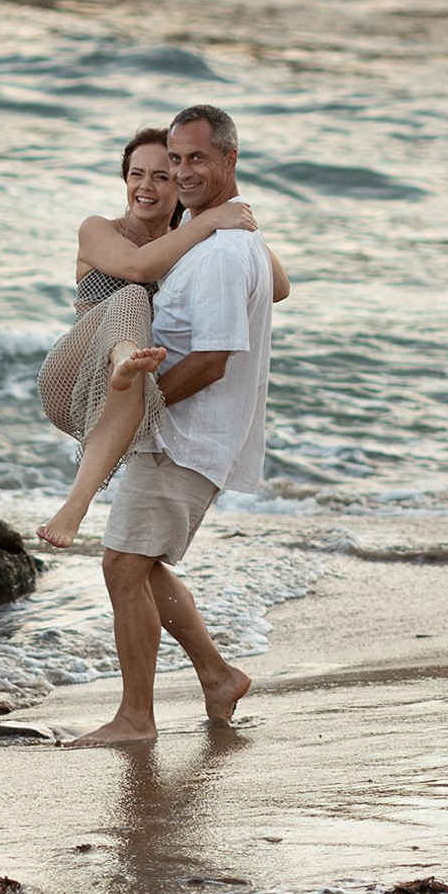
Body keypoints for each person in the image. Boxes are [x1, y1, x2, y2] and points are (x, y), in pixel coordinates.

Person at [66, 104, 279, 745]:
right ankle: (216, 677)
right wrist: (219, 219)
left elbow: (217, 353)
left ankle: (137, 718)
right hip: (153, 415)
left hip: (177, 428)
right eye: (150, 169)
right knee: (141, 563)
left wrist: (233, 227)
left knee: (123, 567)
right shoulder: (156, 238)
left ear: (227, 162)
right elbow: (133, 272)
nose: (163, 181)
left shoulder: (211, 251)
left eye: (184, 164)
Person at [34, 129, 277, 548]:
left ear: (181, 185)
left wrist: (229, 217)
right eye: (135, 174)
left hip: (129, 400)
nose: (145, 187)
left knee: (137, 565)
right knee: (130, 296)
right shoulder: (98, 230)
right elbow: (138, 268)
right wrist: (212, 221)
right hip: (73, 381)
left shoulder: (192, 237)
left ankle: (131, 368)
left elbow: (280, 285)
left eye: (162, 177)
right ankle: (76, 502)